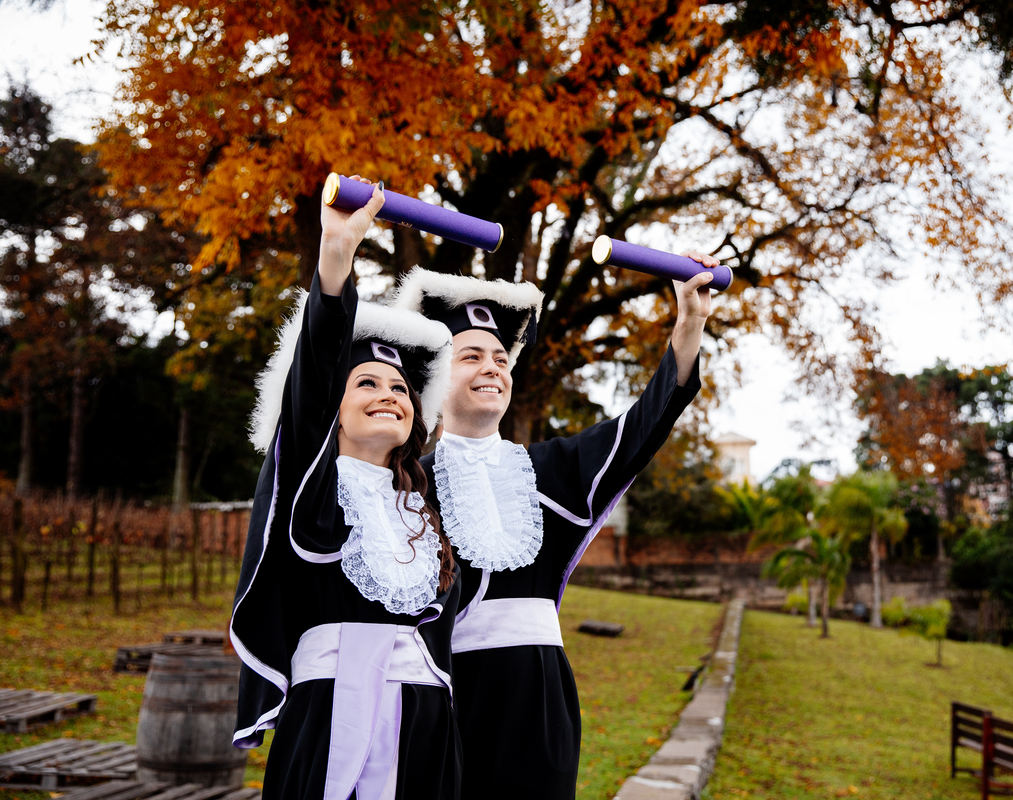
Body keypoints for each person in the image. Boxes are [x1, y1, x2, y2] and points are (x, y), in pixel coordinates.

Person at [395, 255, 717, 798]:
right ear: (433, 378)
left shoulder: (552, 471)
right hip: (442, 697)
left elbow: (645, 423)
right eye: (469, 355)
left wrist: (688, 323)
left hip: (540, 696)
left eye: (501, 357)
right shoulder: (404, 487)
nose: (492, 367)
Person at [229, 177, 463, 800]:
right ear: (331, 408)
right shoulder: (311, 485)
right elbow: (310, 379)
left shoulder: (423, 504)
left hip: (426, 725)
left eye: (399, 389)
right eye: (366, 383)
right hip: (331, 715)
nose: (389, 395)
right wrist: (338, 253)